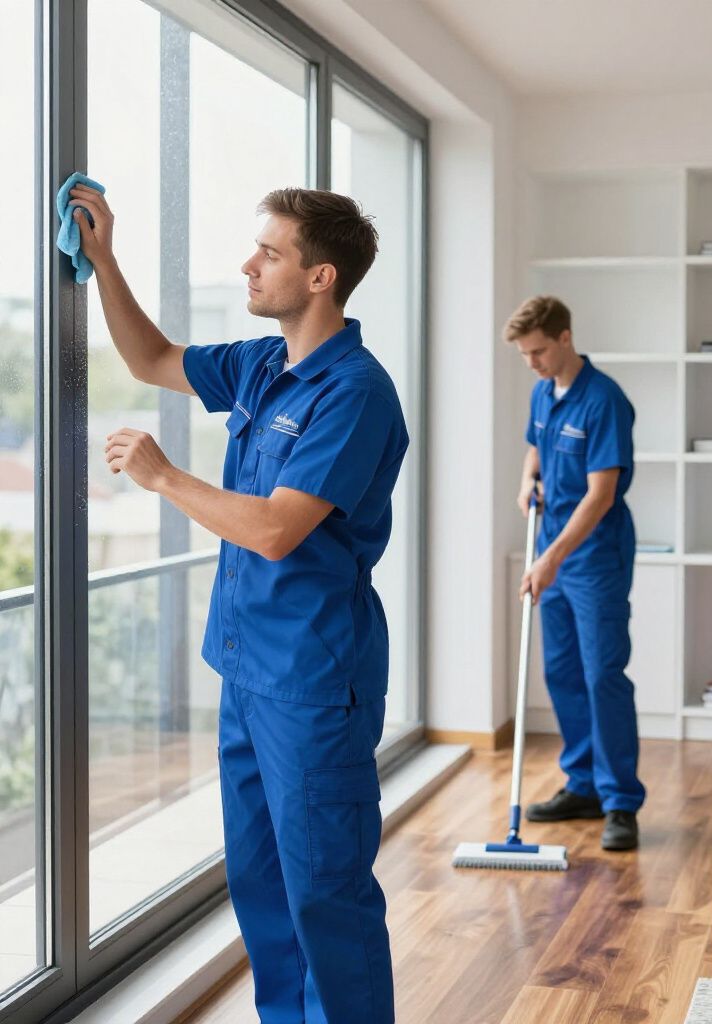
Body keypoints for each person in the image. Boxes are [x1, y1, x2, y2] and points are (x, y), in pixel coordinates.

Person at [71, 182, 406, 1024]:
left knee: (325, 895)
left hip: (315, 680)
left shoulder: (354, 391)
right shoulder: (263, 365)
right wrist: (104, 259)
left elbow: (274, 531)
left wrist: (163, 476)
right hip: (248, 667)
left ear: (321, 276)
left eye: (270, 253)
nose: (247, 265)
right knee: (263, 888)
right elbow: (151, 359)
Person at [504, 295, 645, 852]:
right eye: (524, 355)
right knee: (561, 672)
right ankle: (582, 785)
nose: (532, 363)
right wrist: (526, 481)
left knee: (601, 673)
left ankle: (620, 802)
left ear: (565, 338)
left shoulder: (605, 401)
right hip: (554, 548)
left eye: (538, 352)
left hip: (591, 554)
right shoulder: (544, 392)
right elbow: (535, 448)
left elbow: (601, 495)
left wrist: (549, 559)